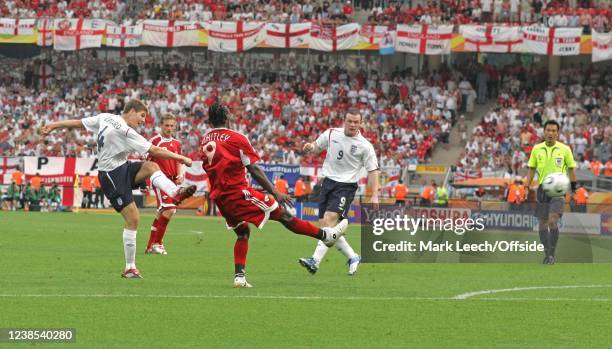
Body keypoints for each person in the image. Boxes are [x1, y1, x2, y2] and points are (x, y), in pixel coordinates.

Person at [40, 99, 197, 279]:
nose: (143, 121)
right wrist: (182, 158)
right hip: (111, 176)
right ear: (131, 111)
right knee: (134, 218)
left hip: (123, 167)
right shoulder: (126, 131)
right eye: (142, 115)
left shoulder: (106, 117)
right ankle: (130, 267)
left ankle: (175, 193)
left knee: (151, 166)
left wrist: (53, 125)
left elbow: (79, 123)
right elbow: (154, 150)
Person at [200, 102, 347, 288]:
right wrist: (275, 192)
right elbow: (252, 168)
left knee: (243, 232)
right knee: (284, 215)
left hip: (220, 198)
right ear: (228, 116)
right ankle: (326, 236)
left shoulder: (205, 139)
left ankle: (239, 277)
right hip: (238, 193)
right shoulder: (237, 138)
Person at [298, 110, 380, 276]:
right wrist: (310, 147)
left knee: (329, 222)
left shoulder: (365, 146)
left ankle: (314, 261)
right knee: (327, 228)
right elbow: (316, 147)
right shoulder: (331, 134)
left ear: (360, 123)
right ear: (344, 120)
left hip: (346, 186)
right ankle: (353, 256)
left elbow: (373, 170)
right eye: (350, 121)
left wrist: (375, 194)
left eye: (356, 122)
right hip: (327, 183)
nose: (353, 125)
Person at [526, 120, 577, 265]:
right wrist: (526, 186)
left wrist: (573, 190)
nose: (551, 133)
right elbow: (531, 169)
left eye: (554, 131)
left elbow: (572, 170)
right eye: (548, 130)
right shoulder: (537, 149)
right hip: (542, 189)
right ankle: (547, 254)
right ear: (544, 131)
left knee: (552, 220)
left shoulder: (565, 149)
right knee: (542, 224)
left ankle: (552, 254)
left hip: (558, 188)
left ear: (558, 133)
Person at [146, 113, 185, 255]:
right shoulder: (155, 142)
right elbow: (147, 162)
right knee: (170, 209)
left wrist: (180, 174)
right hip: (160, 179)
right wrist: (145, 180)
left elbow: (179, 161)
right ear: (161, 125)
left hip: (172, 181)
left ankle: (150, 245)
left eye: (172, 126)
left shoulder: (177, 144)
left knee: (162, 212)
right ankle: (158, 243)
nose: (169, 128)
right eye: (167, 125)